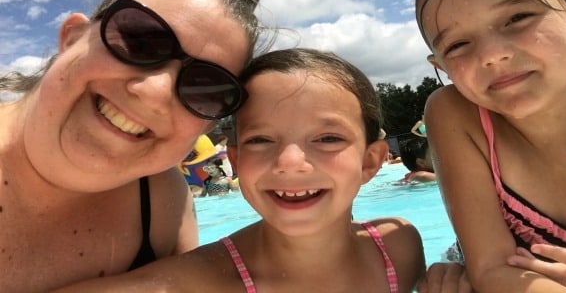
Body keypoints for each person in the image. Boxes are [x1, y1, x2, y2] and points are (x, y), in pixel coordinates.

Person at [52, 48, 426, 292]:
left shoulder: (398, 247)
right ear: (235, 159)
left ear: (369, 162)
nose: (290, 163)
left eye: (327, 138)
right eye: (261, 140)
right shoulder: (199, 284)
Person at [0, 0, 265, 292]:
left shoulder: (163, 205)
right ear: (72, 38)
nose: (153, 93)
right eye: (140, 40)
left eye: (206, 89)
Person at [415, 0, 566, 292]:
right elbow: (492, 270)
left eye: (517, 18)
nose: (491, 55)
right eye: (458, 45)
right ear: (440, 65)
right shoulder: (458, 113)